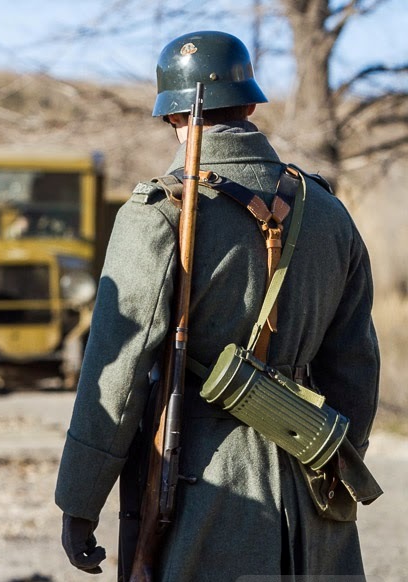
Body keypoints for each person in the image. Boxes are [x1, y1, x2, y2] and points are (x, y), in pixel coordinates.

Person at [55, 31, 380, 579]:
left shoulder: (156, 211)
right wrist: (333, 460)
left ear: (172, 117)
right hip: (313, 481)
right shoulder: (328, 211)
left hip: (201, 485)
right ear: (251, 104)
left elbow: (116, 372)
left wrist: (80, 500)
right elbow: (356, 370)